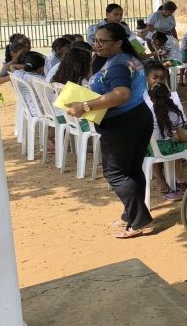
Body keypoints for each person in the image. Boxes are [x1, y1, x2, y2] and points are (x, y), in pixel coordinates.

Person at [66, 23, 152, 239]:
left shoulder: (118, 66)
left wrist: (86, 106)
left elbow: (122, 93)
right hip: (138, 117)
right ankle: (129, 215)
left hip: (122, 123)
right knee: (131, 170)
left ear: (119, 43)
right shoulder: (125, 59)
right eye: (95, 40)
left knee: (115, 173)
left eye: (102, 41)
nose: (97, 44)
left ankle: (139, 220)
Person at [145, 83, 187, 201]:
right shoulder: (173, 112)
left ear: (151, 98)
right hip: (166, 148)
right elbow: (182, 137)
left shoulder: (147, 111)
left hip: (149, 148)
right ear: (169, 95)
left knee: (176, 144)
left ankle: (177, 178)